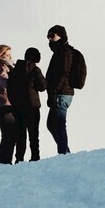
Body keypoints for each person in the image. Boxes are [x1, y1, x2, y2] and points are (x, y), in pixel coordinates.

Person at [7, 47, 47, 161]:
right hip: (32, 107)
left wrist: (14, 103)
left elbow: (9, 89)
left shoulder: (14, 70)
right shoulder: (36, 70)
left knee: (20, 134)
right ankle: (35, 157)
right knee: (34, 134)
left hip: (18, 107)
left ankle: (19, 159)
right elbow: (42, 87)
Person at [45, 25, 75, 154]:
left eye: (53, 35)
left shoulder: (64, 52)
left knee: (58, 124)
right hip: (60, 93)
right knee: (52, 124)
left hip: (61, 93)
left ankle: (64, 154)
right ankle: (65, 152)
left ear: (61, 36)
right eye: (48, 36)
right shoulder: (60, 52)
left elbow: (63, 73)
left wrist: (55, 91)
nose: (50, 39)